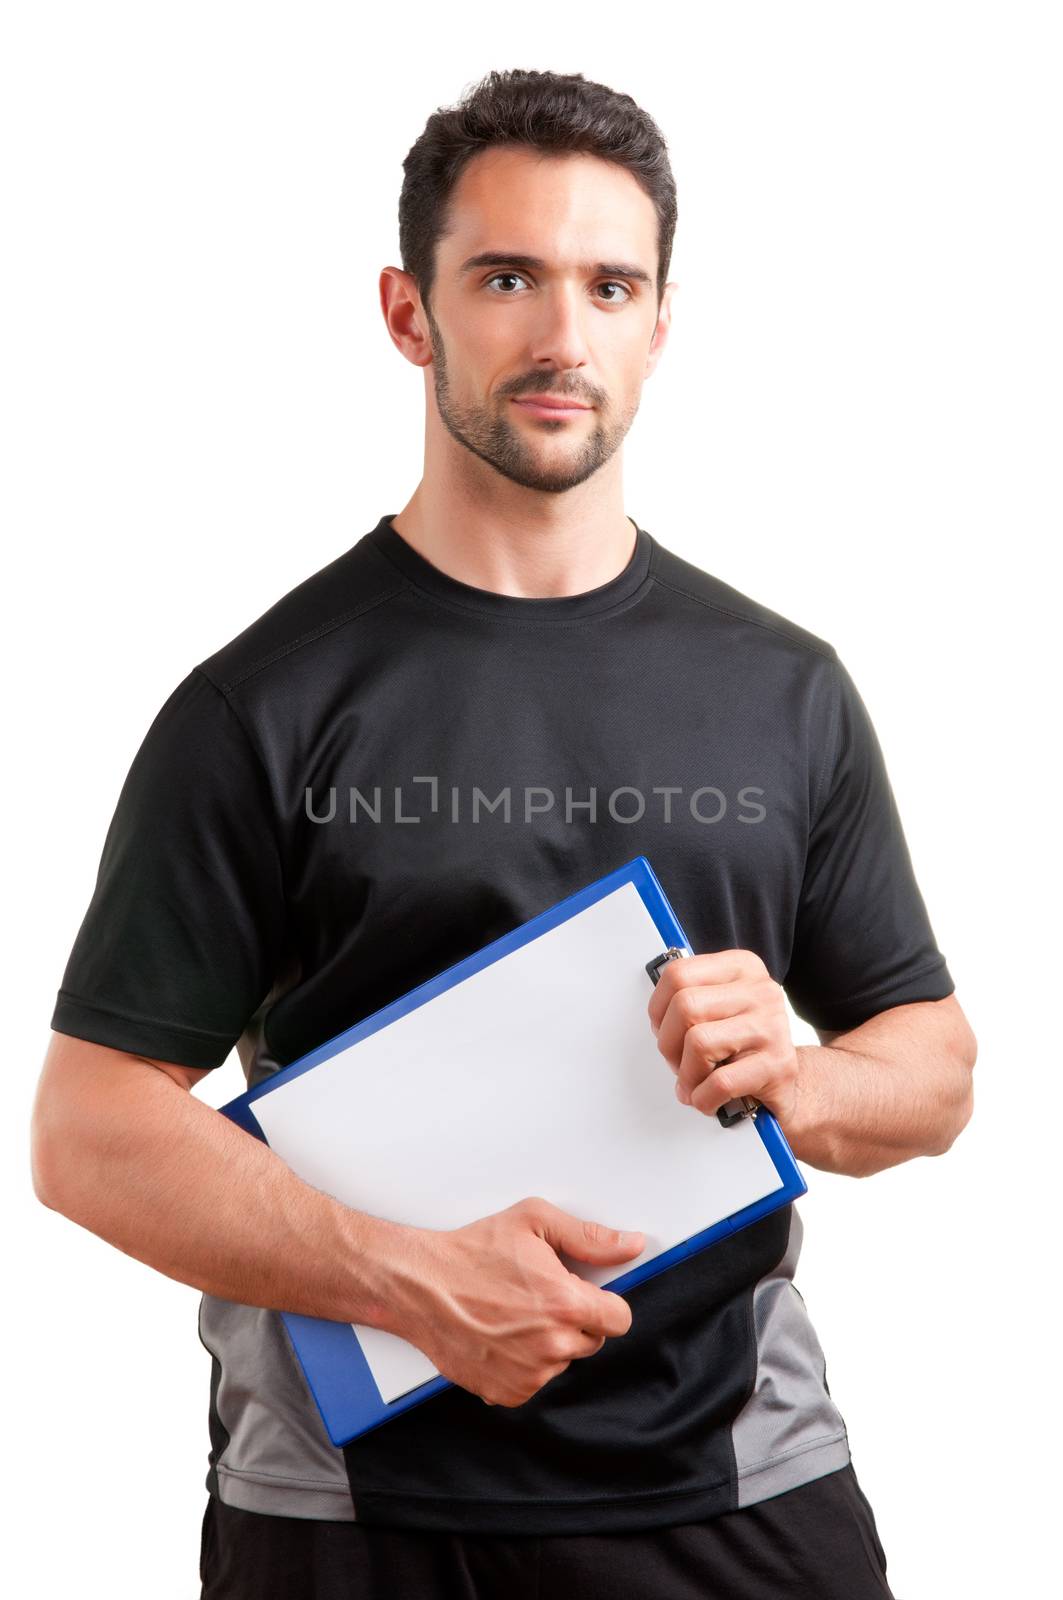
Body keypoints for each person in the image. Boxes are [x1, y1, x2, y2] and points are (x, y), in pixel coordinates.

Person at [31, 67, 976, 1600]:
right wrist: (405, 1276)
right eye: (508, 278)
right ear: (411, 314)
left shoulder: (783, 691)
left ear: (660, 330)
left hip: (737, 1491)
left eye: (610, 285)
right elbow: (86, 1133)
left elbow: (933, 1067)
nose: (561, 335)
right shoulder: (263, 706)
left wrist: (796, 1075)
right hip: (354, 1518)